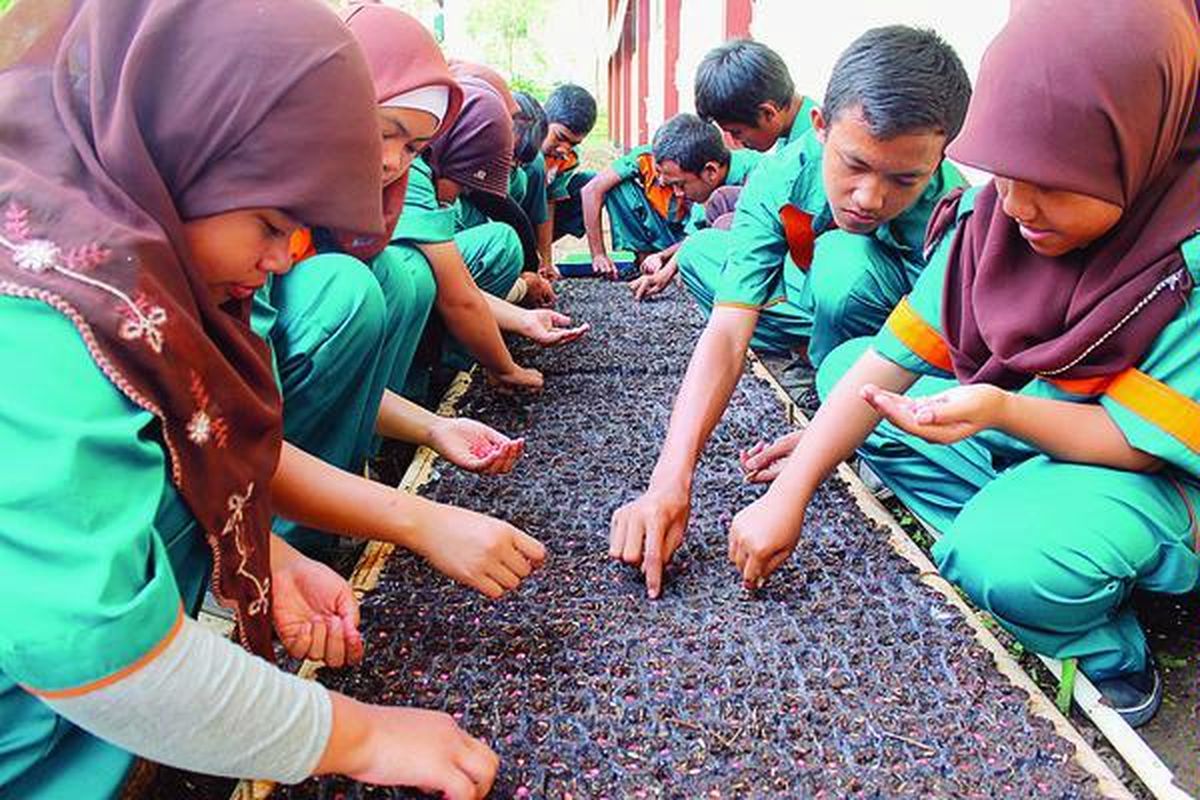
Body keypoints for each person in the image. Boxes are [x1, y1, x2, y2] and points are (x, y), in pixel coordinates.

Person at [0, 1, 497, 797]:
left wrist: (268, 553)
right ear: (190, 139)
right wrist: (361, 735)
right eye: (271, 223)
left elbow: (195, 442)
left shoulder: (126, 260)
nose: (280, 260)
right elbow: (90, 647)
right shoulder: (40, 309)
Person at [733, 0, 1200, 728]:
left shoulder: (1186, 259)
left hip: (1151, 467)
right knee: (846, 377)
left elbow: (1139, 442)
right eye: (1005, 175)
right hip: (1032, 431)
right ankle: (1031, 538)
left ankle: (1106, 649)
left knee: (1007, 558)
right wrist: (790, 491)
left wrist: (1003, 409)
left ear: (1138, 147)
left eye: (1054, 183)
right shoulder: (996, 219)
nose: (1018, 207)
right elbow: (887, 361)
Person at [610, 25, 971, 600]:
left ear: (941, 154)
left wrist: (813, 458)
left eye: (904, 178)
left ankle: (858, 429)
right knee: (711, 254)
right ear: (821, 126)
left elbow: (932, 359)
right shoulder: (780, 177)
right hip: (850, 335)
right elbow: (728, 332)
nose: (870, 198)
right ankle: (838, 406)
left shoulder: (962, 215)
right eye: (854, 165)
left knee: (844, 275)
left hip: (920, 351)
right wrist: (670, 478)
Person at [258, 5, 549, 602]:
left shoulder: (322, 209)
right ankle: (287, 537)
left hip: (220, 459)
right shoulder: (241, 205)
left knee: (381, 275)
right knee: (354, 287)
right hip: (156, 533)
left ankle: (309, 530)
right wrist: (417, 521)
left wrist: (435, 428)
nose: (393, 160)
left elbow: (232, 416)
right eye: (385, 128)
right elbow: (220, 433)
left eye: (415, 147)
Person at [625, 113, 763, 299]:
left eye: (680, 185)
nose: (678, 194)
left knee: (723, 224)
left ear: (710, 171)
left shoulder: (759, 173)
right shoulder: (709, 189)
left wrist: (673, 268)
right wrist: (663, 264)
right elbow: (694, 238)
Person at [694, 39, 819, 152]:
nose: (734, 142)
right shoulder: (790, 136)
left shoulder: (816, 153)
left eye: (736, 132)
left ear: (768, 113)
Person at [541, 83, 599, 243]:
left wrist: (546, 261)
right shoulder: (516, 143)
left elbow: (549, 202)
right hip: (503, 217)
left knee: (591, 183)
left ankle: (530, 250)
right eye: (560, 137)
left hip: (535, 217)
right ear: (542, 120)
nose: (564, 150)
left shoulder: (567, 159)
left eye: (573, 144)